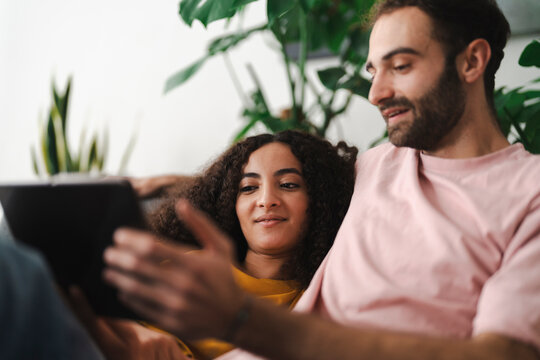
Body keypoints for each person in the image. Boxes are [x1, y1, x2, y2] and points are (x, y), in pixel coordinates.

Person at [102, 0, 540, 359]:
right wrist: (179, 185)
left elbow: (504, 353)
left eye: (400, 66)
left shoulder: (529, 194)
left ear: (472, 61)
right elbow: (287, 182)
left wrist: (243, 319)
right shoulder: (375, 165)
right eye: (373, 71)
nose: (376, 93)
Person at [129, 130, 357, 359]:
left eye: (288, 185)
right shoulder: (190, 266)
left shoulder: (319, 299)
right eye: (248, 188)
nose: (266, 200)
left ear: (320, 200)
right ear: (230, 203)